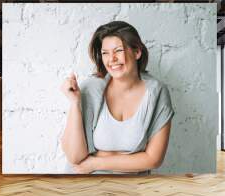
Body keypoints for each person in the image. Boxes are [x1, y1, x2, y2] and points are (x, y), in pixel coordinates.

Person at [60, 21, 174, 174]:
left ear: (137, 52)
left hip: (132, 190)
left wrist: (95, 162)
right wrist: (75, 103)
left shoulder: (157, 92)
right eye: (105, 53)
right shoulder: (91, 89)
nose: (111, 59)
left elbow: (153, 159)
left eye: (118, 50)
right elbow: (75, 158)